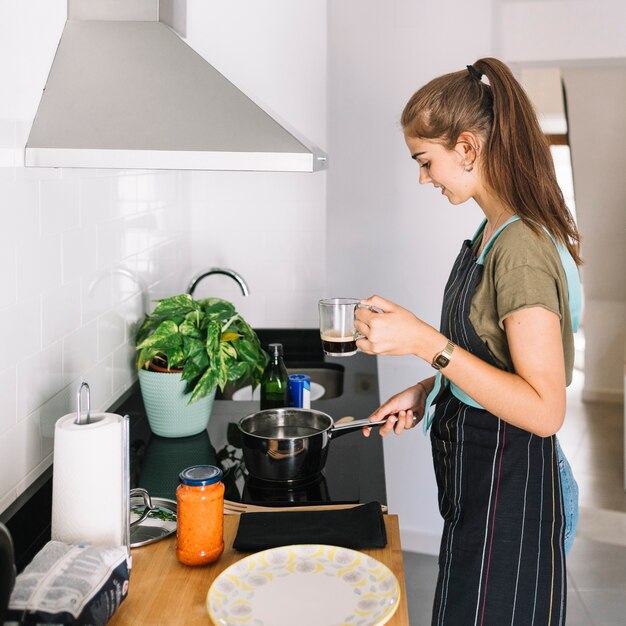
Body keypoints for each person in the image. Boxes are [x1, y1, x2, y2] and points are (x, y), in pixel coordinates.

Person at [354, 57, 581, 626]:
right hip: (481, 489)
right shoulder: (491, 232)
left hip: (512, 496)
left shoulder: (520, 247)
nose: (424, 178)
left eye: (426, 162)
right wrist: (427, 390)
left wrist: (421, 340)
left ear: (468, 147)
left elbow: (545, 408)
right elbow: (493, 362)